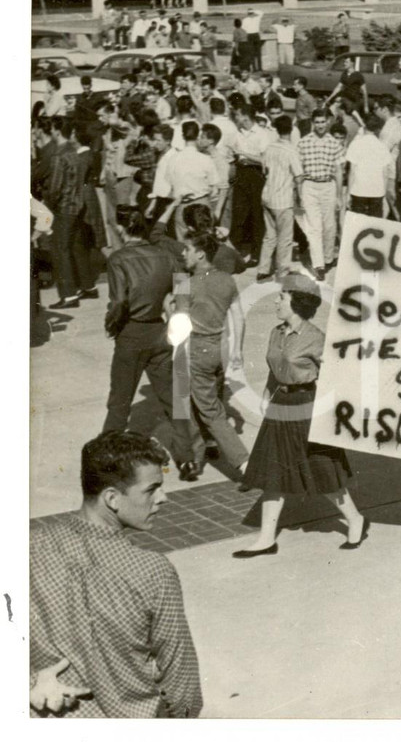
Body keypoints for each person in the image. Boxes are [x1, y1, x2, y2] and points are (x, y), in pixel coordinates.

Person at [30, 431, 202, 717]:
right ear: (112, 498)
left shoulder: (29, 547)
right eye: (152, 489)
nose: (164, 498)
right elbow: (180, 676)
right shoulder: (152, 571)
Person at [235, 274, 369, 556]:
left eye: (282, 297)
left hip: (307, 405)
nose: (276, 301)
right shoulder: (276, 332)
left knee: (322, 469)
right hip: (279, 405)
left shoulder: (316, 338)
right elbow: (274, 368)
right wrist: (267, 394)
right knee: (273, 472)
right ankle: (266, 539)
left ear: (297, 302)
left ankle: (355, 519)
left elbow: (339, 376)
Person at [103, 207, 198, 480]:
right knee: (174, 401)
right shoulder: (168, 256)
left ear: (121, 229)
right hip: (161, 333)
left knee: (120, 402)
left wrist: (112, 324)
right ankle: (187, 460)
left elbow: (119, 301)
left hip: (131, 335)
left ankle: (107, 459)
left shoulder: (118, 259)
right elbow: (183, 290)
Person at [166, 231, 248, 477]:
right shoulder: (227, 280)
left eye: (188, 250)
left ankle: (245, 463)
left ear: (200, 254)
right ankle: (211, 444)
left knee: (207, 409)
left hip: (197, 349)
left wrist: (166, 308)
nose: (184, 253)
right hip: (221, 346)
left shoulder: (185, 285)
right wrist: (237, 351)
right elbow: (238, 316)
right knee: (213, 399)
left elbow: (179, 325)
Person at [44, 119, 98, 309]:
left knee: (60, 250)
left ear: (56, 131)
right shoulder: (75, 153)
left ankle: (68, 296)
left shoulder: (59, 156)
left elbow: (54, 189)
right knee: (75, 246)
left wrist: (46, 203)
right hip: (78, 207)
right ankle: (86, 286)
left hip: (64, 208)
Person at [256, 115, 304, 281]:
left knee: (269, 236)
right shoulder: (291, 150)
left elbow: (264, 170)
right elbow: (298, 177)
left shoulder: (270, 148)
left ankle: (263, 269)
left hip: (267, 195)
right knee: (285, 238)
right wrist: (301, 198)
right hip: (283, 199)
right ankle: (282, 271)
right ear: (291, 129)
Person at [297, 108, 344, 276]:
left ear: (328, 122)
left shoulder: (334, 143)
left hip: (328, 186)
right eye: (317, 122)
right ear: (312, 123)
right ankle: (319, 265)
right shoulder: (304, 142)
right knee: (314, 228)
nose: (320, 125)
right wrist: (298, 192)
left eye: (323, 122)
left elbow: (338, 171)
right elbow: (299, 170)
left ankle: (328, 257)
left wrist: (339, 196)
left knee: (329, 226)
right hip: (309, 186)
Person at [231, 105, 270, 265]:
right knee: (238, 214)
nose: (235, 118)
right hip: (241, 173)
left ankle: (256, 254)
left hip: (255, 175)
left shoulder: (262, 134)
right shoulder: (237, 133)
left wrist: (244, 154)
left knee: (256, 215)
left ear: (245, 116)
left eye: (237, 115)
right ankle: (234, 252)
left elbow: (264, 160)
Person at [345, 113, 394, 218]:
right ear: (377, 129)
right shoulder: (382, 146)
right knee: (374, 225)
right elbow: (385, 174)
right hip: (377, 192)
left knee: (358, 225)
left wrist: (348, 193)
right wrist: (384, 195)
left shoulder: (355, 144)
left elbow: (352, 172)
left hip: (358, 190)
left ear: (364, 126)